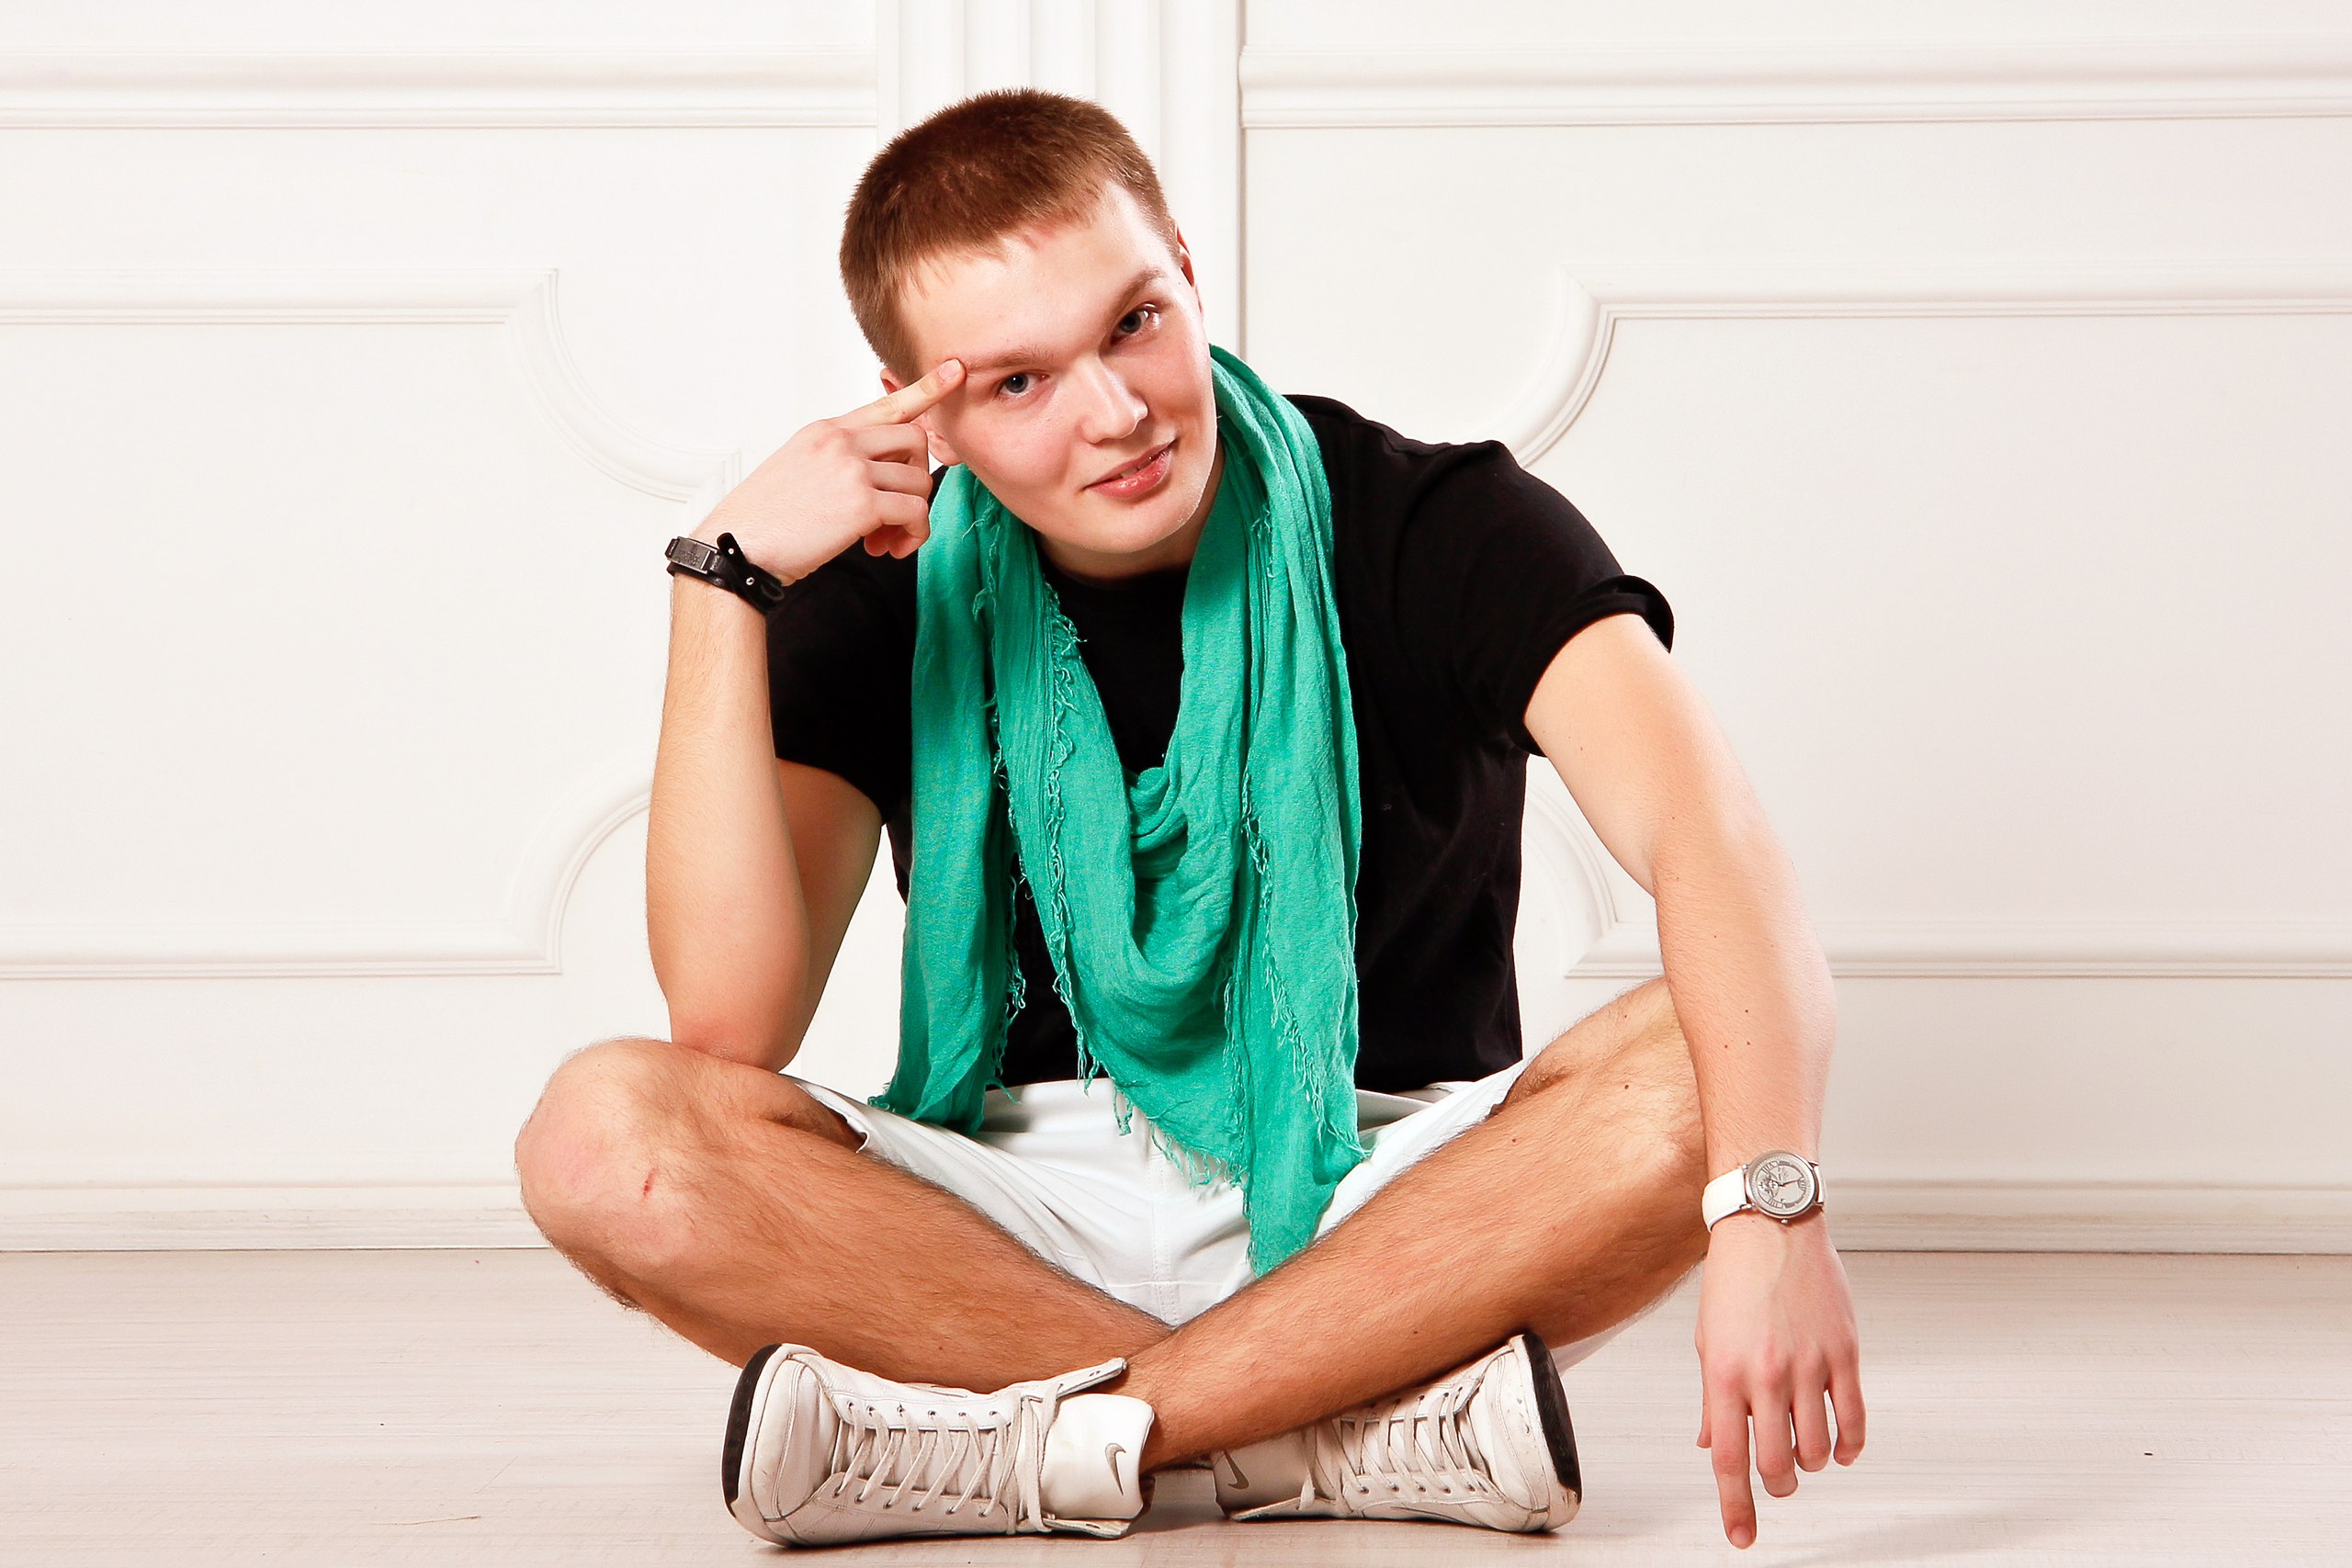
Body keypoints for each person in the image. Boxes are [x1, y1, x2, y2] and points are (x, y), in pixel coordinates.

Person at [514, 87, 1864, 1551]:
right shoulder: (881, 589)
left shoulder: (1440, 522)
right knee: (599, 1136)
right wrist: (720, 581)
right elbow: (729, 1025)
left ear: (1188, 275)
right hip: (997, 1220)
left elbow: (1711, 842)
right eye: (1017, 383)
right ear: (917, 407)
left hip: (1396, 1207)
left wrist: (1770, 1210)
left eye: (1133, 323)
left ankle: (1022, 1444)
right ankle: (1332, 1437)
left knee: (1699, 1064)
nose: (1115, 413)